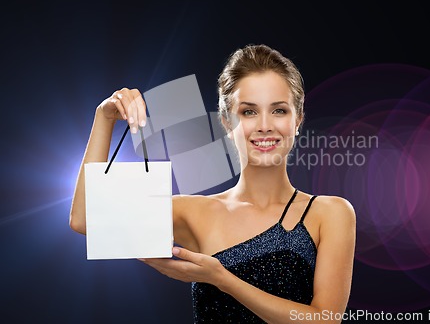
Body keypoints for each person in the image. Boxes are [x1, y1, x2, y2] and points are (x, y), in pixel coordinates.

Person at [69, 44, 356, 323]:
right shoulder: (195, 211)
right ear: (227, 123)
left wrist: (220, 279)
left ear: (298, 120)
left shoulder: (330, 213)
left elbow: (324, 320)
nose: (265, 125)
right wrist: (104, 119)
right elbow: (85, 219)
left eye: (279, 110)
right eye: (249, 111)